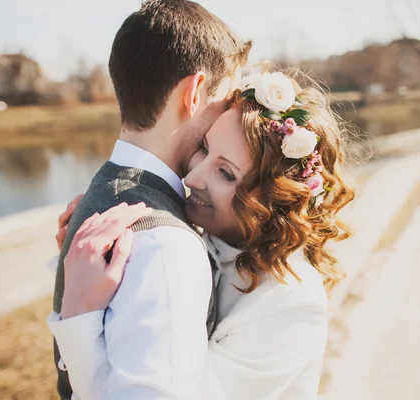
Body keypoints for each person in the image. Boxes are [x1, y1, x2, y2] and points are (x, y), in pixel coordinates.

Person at [49, 67, 355, 399]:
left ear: (277, 200)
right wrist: (88, 255)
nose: (193, 177)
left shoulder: (289, 303)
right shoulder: (204, 237)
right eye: (205, 149)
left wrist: (80, 314)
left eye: (225, 172)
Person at [50, 1, 251, 399]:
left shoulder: (102, 189)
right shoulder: (163, 244)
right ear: (194, 93)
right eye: (227, 96)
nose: (233, 111)